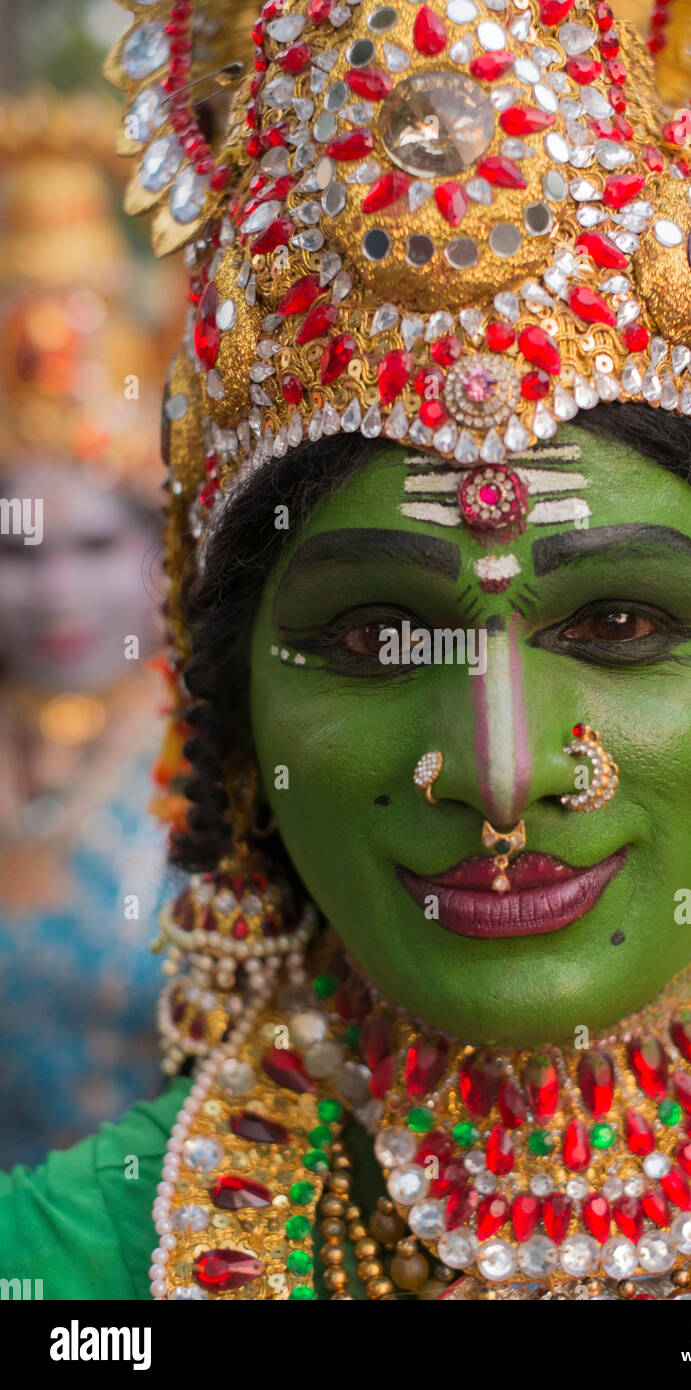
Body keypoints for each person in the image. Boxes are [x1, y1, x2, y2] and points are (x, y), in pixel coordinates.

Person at [1, 0, 691, 1301]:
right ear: (235, 717)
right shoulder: (72, 1271)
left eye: (618, 625)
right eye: (369, 634)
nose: (501, 771)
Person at [0, 93, 173, 1165]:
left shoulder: (228, 763)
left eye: (97, 548)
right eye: (17, 551)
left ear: (167, 552)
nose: (57, 592)